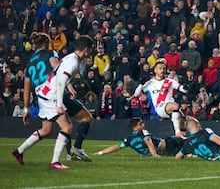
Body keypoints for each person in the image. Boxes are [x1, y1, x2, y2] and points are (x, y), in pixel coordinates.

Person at [12, 35, 93, 170]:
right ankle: (55, 161)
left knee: (46, 130)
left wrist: (26, 109)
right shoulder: (56, 56)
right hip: (52, 94)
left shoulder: (31, 61)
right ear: (86, 49)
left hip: (42, 93)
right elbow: (60, 79)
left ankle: (19, 151)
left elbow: (27, 89)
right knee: (67, 127)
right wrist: (60, 104)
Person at [132, 61, 188, 137]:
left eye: (164, 69)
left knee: (185, 122)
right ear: (155, 70)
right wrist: (141, 84)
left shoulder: (170, 81)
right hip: (160, 107)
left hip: (171, 107)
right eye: (160, 68)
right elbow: (136, 94)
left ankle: (181, 138)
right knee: (175, 106)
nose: (162, 70)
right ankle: (177, 133)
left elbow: (183, 89)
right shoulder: (150, 83)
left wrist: (187, 87)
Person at [93, 118, 183, 157]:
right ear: (135, 128)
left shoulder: (129, 139)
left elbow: (116, 147)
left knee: (182, 141)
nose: (143, 125)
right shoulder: (142, 133)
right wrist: (154, 155)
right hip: (167, 146)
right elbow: (148, 142)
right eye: (140, 124)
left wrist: (100, 153)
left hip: (168, 143)